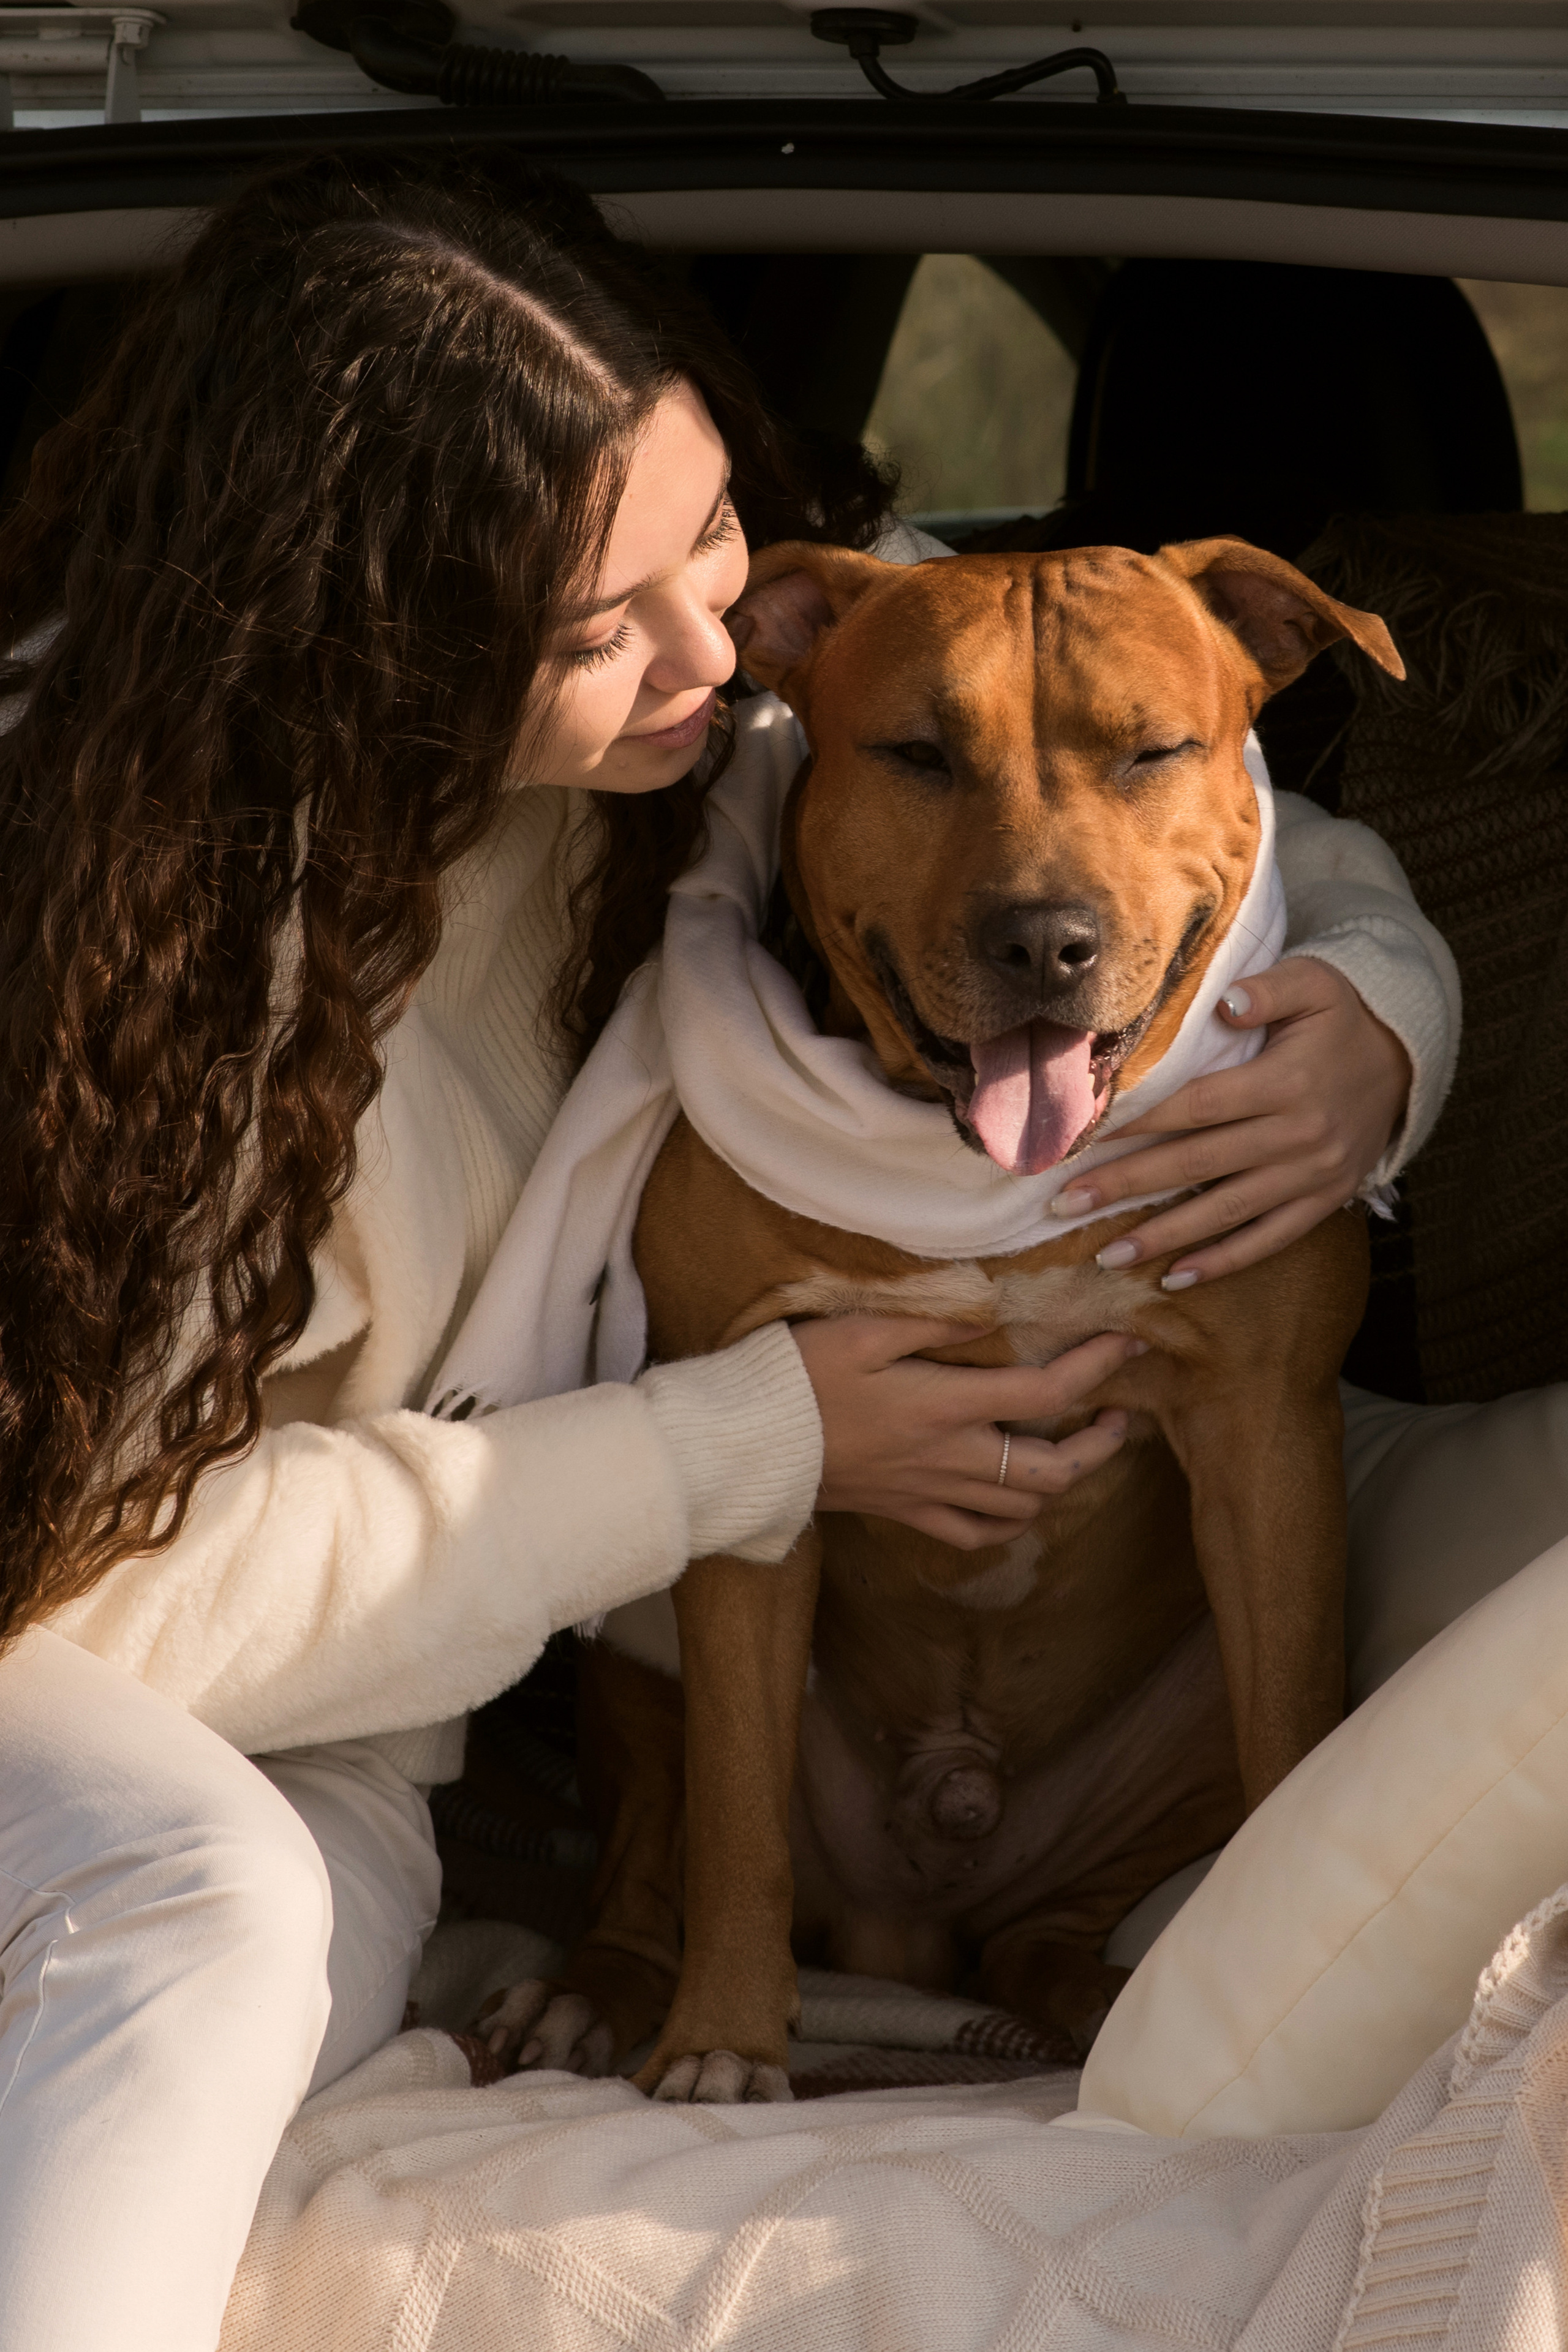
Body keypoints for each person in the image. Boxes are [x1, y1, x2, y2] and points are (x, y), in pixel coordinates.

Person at [0, 146, 1452, 2351]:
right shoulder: (112, 936)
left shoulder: (721, 728)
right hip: (112, 1663)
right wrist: (745, 1443)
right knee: (200, 1911)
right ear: (377, 643)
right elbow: (85, 1588)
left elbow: (1152, 778)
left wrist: (1384, 1016)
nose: (718, 652)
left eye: (712, 542)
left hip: (374, 1736)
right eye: (599, 625)